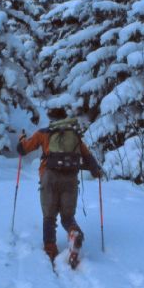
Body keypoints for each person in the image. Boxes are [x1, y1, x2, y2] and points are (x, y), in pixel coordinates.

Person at [17, 104, 101, 263]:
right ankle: (74, 233)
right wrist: (96, 170)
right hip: (70, 179)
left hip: (49, 178)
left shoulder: (44, 133)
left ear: (52, 119)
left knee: (49, 216)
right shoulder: (74, 136)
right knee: (67, 216)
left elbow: (23, 149)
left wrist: (21, 139)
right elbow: (88, 157)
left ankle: (50, 250)